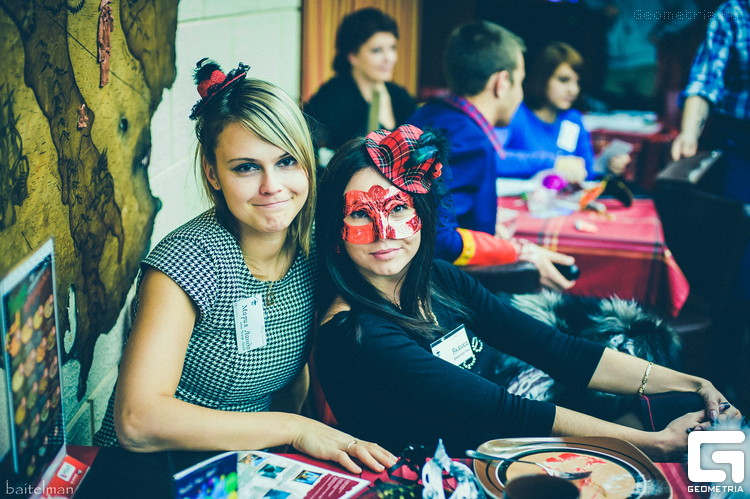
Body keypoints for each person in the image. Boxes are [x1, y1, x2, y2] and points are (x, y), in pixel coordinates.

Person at [313, 123, 741, 458]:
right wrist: (656, 444)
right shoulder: (356, 333)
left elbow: (556, 349)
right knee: (684, 435)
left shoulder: (438, 279)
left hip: (513, 432)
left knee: (693, 409)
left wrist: (695, 382)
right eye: (360, 214)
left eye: (398, 208)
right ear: (335, 229)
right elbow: (505, 412)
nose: (383, 232)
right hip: (469, 466)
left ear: (422, 212)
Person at [92, 59, 395, 474]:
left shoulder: (311, 245)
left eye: (286, 161)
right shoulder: (188, 260)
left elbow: (293, 382)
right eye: (246, 167)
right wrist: (295, 429)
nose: (272, 186)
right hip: (150, 473)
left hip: (245, 468)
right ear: (213, 174)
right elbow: (137, 422)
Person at [408, 21, 575, 291]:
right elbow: (436, 237)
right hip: (440, 290)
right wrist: (515, 252)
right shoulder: (470, 141)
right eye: (520, 81)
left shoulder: (425, 114)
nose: (520, 94)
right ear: (502, 82)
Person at [671, 0, 750, 299]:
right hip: (739, 141)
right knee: (739, 241)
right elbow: (705, 81)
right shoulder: (734, 12)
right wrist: (689, 134)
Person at [499, 41, 630, 183]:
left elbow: (587, 172)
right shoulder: (515, 113)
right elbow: (494, 159)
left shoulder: (573, 119)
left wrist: (607, 167)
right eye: (563, 80)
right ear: (542, 78)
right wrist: (552, 163)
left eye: (577, 82)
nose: (573, 90)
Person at [304, 7, 416, 161]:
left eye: (392, 48)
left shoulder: (401, 97)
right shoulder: (330, 99)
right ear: (353, 56)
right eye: (377, 50)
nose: (389, 58)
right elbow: (311, 153)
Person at [583, 0, 698, 110]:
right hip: (613, 63)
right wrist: (604, 7)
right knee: (609, 111)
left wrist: (663, 32)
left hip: (644, 63)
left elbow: (690, 9)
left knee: (643, 111)